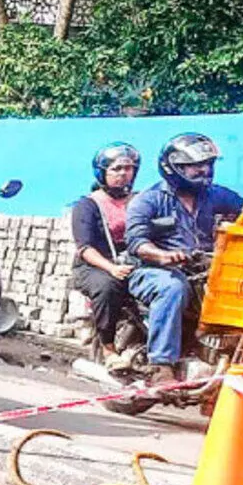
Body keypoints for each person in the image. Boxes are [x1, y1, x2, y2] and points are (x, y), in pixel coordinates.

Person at [125, 133, 243, 383]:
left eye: (208, 164)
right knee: (172, 288)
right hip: (152, 271)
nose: (204, 170)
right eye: (195, 165)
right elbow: (137, 242)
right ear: (173, 168)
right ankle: (161, 364)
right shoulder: (148, 200)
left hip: (204, 270)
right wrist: (163, 255)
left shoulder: (215, 195)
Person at [71, 143, 141, 371]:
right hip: (94, 266)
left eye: (128, 168)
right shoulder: (88, 205)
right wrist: (111, 268)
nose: (123, 174)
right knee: (107, 286)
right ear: (103, 173)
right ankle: (108, 348)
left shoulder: (141, 200)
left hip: (134, 262)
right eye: (117, 169)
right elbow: (85, 247)